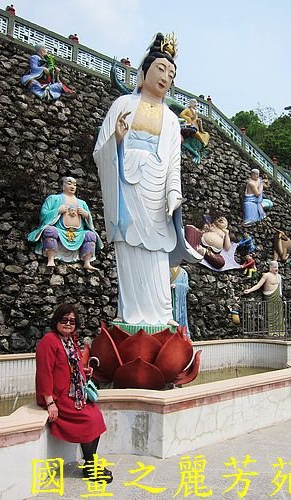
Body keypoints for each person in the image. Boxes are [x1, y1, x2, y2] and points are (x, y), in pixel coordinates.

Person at [94, 32, 191, 326]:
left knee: (158, 254)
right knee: (130, 249)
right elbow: (100, 150)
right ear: (144, 72)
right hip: (127, 183)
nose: (165, 77)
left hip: (157, 188)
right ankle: (131, 316)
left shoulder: (173, 120)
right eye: (161, 68)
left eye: (171, 74)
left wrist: (174, 193)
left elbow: (174, 163)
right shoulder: (123, 103)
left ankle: (161, 316)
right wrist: (118, 140)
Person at [35, 304, 112, 482]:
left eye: (72, 321)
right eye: (64, 320)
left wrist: (85, 372)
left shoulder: (70, 341)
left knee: (97, 418)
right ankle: (91, 468)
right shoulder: (49, 341)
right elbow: (44, 372)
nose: (68, 324)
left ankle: (89, 464)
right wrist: (49, 402)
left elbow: (73, 367)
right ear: (56, 321)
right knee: (89, 421)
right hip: (59, 397)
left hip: (74, 394)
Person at [28, 177, 103, 269]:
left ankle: (87, 262)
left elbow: (89, 222)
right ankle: (51, 259)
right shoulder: (53, 199)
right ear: (62, 186)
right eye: (69, 183)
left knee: (91, 235)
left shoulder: (82, 203)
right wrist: (57, 211)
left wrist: (86, 215)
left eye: (75, 184)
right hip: (60, 230)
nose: (72, 186)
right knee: (50, 231)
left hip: (78, 233)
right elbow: (43, 214)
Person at [244, 260, 284, 336]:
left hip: (277, 297)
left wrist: (280, 295)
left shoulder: (279, 276)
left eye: (277, 267)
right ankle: (271, 332)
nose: (277, 269)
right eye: (275, 267)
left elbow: (280, 288)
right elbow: (258, 285)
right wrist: (249, 290)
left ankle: (279, 331)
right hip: (269, 297)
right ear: (270, 268)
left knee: (278, 314)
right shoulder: (266, 275)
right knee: (270, 314)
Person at [170, 266, 190, 336]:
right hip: (169, 298)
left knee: (181, 317)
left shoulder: (183, 272)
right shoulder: (166, 270)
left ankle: (183, 334)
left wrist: (177, 286)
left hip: (180, 300)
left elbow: (187, 287)